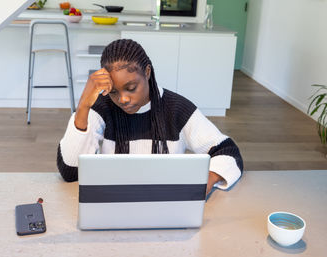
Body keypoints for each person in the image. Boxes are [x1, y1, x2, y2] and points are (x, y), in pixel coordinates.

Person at [57, 39, 243, 195]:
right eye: (113, 92)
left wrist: (205, 182)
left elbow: (228, 152)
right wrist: (83, 106)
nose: (123, 99)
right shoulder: (101, 108)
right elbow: (70, 172)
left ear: (147, 72)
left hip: (166, 204)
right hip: (115, 202)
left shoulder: (177, 109)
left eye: (131, 88)